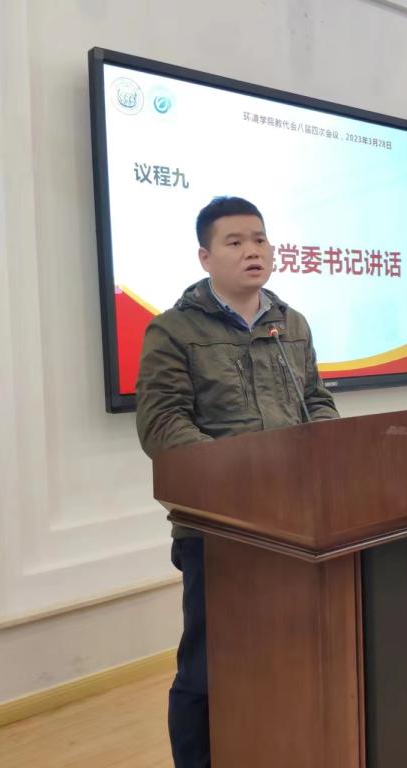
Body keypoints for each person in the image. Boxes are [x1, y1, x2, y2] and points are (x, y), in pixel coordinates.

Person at [135, 195, 338, 767]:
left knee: (286, 658)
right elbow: (162, 424)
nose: (253, 250)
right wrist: (241, 476)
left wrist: (332, 446)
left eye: (260, 238)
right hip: (218, 528)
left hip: (296, 523)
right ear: (205, 257)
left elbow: (316, 400)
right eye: (235, 241)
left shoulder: (291, 324)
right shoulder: (173, 330)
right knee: (207, 670)